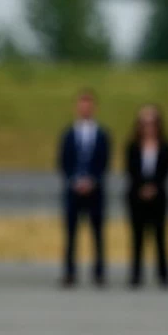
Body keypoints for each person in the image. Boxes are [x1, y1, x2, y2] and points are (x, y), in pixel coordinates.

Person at [58, 89, 111, 287]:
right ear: (77, 107)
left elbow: (104, 162)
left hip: (95, 191)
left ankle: (99, 272)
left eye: (89, 105)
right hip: (73, 191)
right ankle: (69, 272)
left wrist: (92, 181)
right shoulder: (68, 134)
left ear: (94, 108)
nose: (85, 108)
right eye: (82, 104)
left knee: (97, 233)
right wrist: (75, 181)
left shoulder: (102, 134)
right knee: (71, 233)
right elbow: (63, 162)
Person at [125, 103, 168, 287]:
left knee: (160, 236)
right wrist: (142, 187)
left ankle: (163, 275)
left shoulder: (165, 146)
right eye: (145, 122)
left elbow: (166, 170)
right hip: (137, 196)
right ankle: (136, 275)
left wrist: (154, 187)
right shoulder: (133, 146)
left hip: (158, 196)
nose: (149, 126)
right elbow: (131, 170)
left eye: (152, 122)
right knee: (137, 236)